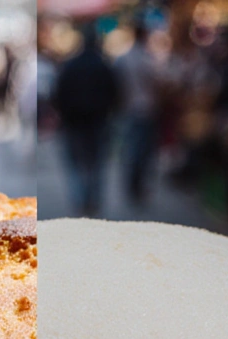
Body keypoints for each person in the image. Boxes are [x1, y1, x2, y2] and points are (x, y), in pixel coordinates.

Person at [54, 25, 120, 216]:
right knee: (97, 163)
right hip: (98, 121)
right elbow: (114, 93)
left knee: (76, 164)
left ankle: (80, 200)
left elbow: (59, 93)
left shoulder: (70, 65)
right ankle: (93, 200)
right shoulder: (104, 65)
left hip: (74, 122)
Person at [114, 22, 161, 205]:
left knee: (133, 150)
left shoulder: (124, 58)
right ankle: (137, 186)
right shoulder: (147, 58)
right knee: (142, 151)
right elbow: (157, 83)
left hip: (129, 109)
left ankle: (133, 186)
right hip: (145, 110)